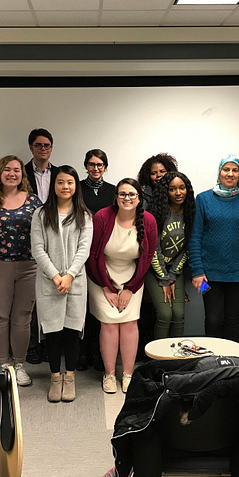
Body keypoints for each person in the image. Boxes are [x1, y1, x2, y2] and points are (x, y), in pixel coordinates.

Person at [86, 178, 158, 394]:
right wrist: (107, 288)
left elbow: (147, 258)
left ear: (139, 198)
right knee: (108, 324)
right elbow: (92, 255)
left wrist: (129, 289)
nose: (127, 198)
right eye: (122, 194)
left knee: (128, 323)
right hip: (101, 275)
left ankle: (127, 374)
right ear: (116, 197)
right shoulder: (103, 217)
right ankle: (108, 374)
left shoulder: (149, 220)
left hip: (132, 277)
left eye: (131, 194)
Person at [31, 166, 93, 403]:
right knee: (53, 332)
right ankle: (55, 377)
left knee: (72, 332)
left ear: (76, 185)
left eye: (70, 182)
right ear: (53, 186)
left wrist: (69, 276)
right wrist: (57, 276)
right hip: (49, 283)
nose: (65, 187)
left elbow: (84, 249)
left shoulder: (84, 215)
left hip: (75, 283)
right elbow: (38, 249)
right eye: (60, 182)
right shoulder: (40, 214)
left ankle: (70, 377)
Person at [0, 155, 43, 387]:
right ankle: (2, 365)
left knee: (22, 318)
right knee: (0, 317)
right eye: (7, 170)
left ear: (22, 175)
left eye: (17, 170)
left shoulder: (34, 201)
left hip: (29, 266)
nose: (12, 174)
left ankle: (19, 365)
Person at [189, 155, 239, 343]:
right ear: (219, 172)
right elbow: (195, 237)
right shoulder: (203, 199)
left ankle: (228, 363)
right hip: (207, 276)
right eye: (226, 170)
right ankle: (211, 362)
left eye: (234, 170)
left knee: (233, 320)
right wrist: (197, 271)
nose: (230, 174)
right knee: (213, 319)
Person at [77, 149, 115, 372]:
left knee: (101, 306)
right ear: (86, 166)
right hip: (81, 249)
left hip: (105, 251)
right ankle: (84, 351)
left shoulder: (112, 191)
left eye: (100, 164)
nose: (96, 168)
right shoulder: (77, 189)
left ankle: (101, 353)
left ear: (105, 167)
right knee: (83, 305)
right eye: (91, 164)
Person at [24, 128, 59, 365]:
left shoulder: (60, 174)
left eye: (47, 145)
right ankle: (32, 345)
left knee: (50, 297)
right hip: (27, 239)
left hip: (56, 240)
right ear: (31, 148)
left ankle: (48, 344)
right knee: (30, 298)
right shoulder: (21, 173)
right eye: (39, 145)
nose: (43, 149)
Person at [146, 172, 195, 339]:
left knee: (178, 314)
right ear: (165, 191)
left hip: (175, 271)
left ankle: (175, 359)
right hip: (154, 270)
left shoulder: (190, 214)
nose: (178, 193)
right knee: (165, 315)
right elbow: (153, 249)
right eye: (172, 189)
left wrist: (173, 275)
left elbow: (187, 248)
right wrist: (164, 278)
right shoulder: (156, 213)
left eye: (182, 188)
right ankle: (159, 360)